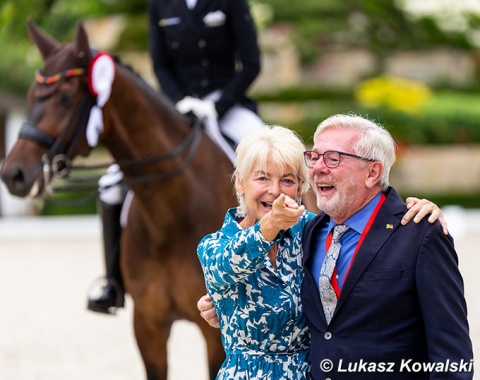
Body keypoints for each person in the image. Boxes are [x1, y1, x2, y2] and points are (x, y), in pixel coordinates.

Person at [196, 124, 450, 379]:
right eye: (262, 178)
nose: (274, 191)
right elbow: (225, 267)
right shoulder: (214, 245)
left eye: (287, 180)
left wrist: (419, 211)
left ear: (299, 189)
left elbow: (365, 220)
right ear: (240, 182)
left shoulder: (312, 230)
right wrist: (270, 225)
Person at [87, 0, 264, 314]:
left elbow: (251, 64)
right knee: (110, 183)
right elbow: (160, 65)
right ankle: (112, 282)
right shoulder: (160, 4)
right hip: (177, 110)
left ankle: (288, 268)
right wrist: (180, 102)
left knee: (271, 163)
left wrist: (217, 106)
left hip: (226, 106)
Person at [301, 114, 473, 379]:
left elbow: (451, 356)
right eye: (314, 157)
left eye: (333, 158)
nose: (318, 168)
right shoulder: (309, 232)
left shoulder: (421, 233)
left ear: (373, 172)